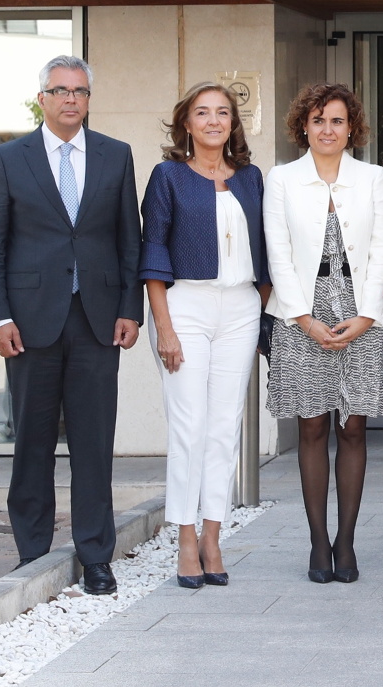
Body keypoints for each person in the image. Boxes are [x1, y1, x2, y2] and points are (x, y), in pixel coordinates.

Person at [0, 54, 143, 596]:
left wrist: (129, 309)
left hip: (98, 321)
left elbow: (128, 242)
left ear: (89, 99)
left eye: (80, 91)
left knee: (94, 442)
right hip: (28, 323)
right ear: (42, 99)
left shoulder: (116, 156)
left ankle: (97, 555)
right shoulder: (8, 158)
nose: (71, 99)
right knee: (32, 441)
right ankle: (32, 553)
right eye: (60, 90)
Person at [264, 84, 383, 584]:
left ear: (351, 128)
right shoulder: (282, 179)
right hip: (302, 313)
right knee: (313, 426)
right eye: (318, 120)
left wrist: (366, 314)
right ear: (304, 125)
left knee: (353, 428)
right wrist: (303, 318)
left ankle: (347, 541)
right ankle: (319, 542)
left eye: (337, 121)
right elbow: (277, 252)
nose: (327, 129)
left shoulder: (373, 178)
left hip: (362, 312)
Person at [141, 82, 268, 588]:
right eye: (202, 113)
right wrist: (164, 329)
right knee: (188, 427)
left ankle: (215, 534)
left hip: (241, 306)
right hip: (186, 307)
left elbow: (267, 249)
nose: (214, 120)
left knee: (224, 427)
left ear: (233, 123)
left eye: (223, 112)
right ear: (187, 124)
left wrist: (261, 311)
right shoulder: (168, 176)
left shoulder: (251, 178)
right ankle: (186, 538)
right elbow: (152, 253)